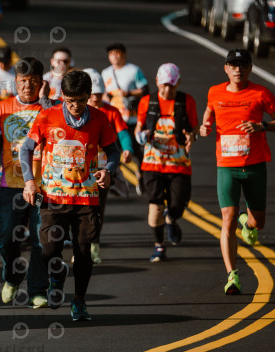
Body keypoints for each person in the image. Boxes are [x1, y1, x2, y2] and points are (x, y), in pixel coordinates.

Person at [20, 70, 120, 320]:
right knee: (48, 249)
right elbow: (26, 149)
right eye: (71, 100)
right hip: (53, 197)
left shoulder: (99, 118)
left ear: (89, 96)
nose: (76, 106)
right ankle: (57, 275)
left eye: (81, 100)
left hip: (86, 197)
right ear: (62, 95)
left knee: (83, 251)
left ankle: (79, 301)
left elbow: (113, 151)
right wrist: (29, 181)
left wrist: (108, 170)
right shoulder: (47, 116)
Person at [200, 48, 275, 294]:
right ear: (226, 69)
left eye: (243, 65)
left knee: (259, 222)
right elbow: (209, 111)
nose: (238, 69)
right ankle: (232, 275)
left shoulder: (261, 93)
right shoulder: (215, 91)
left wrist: (262, 125)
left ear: (250, 68)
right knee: (228, 218)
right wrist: (205, 125)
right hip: (227, 167)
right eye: (233, 65)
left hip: (255, 166)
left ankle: (249, 223)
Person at [0, 57, 51, 308]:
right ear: (15, 82)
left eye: (33, 81)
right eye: (23, 81)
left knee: (41, 240)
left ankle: (37, 290)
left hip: (44, 187)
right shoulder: (3, 108)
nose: (27, 86)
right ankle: (12, 276)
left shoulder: (50, 109)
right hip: (11, 185)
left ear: (41, 83)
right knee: (7, 239)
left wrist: (47, 101)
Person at [134, 63, 198, 262]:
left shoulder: (186, 101)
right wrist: (140, 137)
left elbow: (195, 127)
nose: (167, 89)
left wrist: (192, 136)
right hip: (152, 163)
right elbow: (138, 128)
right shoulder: (147, 101)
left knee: (178, 205)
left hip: (179, 164)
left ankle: (172, 219)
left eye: (171, 85)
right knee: (155, 205)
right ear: (157, 82)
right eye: (164, 84)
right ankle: (159, 246)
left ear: (178, 83)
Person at [83, 68, 135, 263]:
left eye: (99, 94)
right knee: (79, 209)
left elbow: (123, 132)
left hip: (102, 170)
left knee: (97, 209)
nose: (96, 98)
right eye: (92, 94)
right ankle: (80, 245)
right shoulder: (75, 110)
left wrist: (127, 148)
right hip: (78, 169)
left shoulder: (111, 111)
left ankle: (93, 245)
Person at [101, 42, 149, 194]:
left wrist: (129, 94)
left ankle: (141, 176)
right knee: (113, 151)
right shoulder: (106, 72)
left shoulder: (133, 70)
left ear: (124, 54)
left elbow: (145, 89)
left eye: (117, 53)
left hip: (132, 118)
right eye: (111, 54)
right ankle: (115, 180)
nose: (114, 56)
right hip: (114, 118)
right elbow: (103, 92)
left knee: (136, 151)